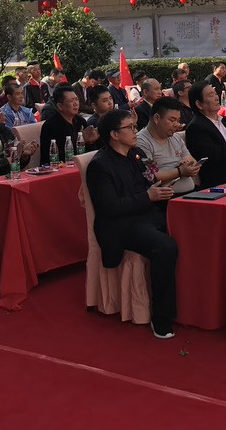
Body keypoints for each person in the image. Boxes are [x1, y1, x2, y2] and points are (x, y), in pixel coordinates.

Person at [86, 109, 178, 339]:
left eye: (135, 127)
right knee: (165, 246)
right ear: (114, 134)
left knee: (189, 225)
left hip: (147, 212)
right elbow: (109, 207)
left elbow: (148, 182)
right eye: (130, 128)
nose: (136, 131)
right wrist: (148, 196)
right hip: (121, 225)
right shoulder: (100, 166)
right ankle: (161, 316)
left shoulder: (136, 154)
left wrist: (158, 191)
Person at [136, 97, 201, 196]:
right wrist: (180, 171)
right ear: (157, 118)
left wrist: (191, 167)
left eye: (178, 120)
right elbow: (152, 176)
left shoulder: (175, 137)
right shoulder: (142, 141)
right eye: (172, 120)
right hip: (166, 198)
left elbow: (191, 160)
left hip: (191, 193)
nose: (177, 124)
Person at [39, 87, 98, 165]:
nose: (76, 103)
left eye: (76, 99)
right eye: (71, 101)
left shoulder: (80, 121)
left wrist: (90, 142)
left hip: (81, 164)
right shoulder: (51, 125)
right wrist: (81, 141)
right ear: (60, 106)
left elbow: (88, 153)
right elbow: (54, 156)